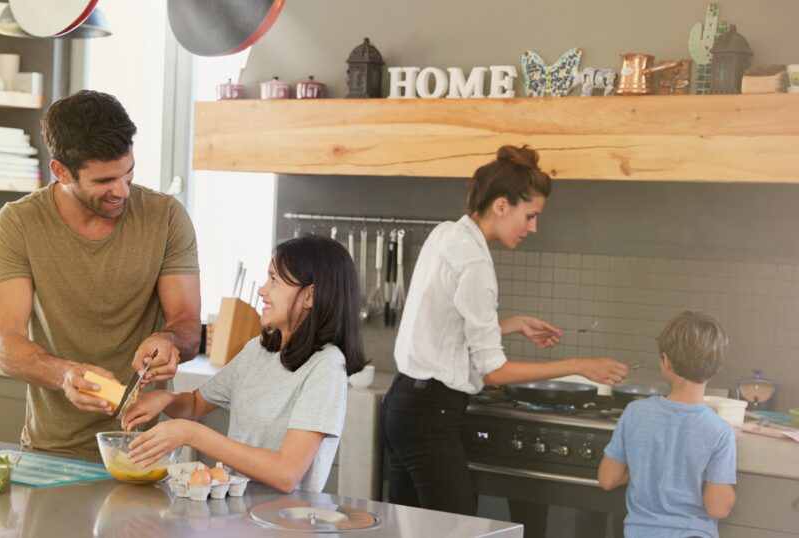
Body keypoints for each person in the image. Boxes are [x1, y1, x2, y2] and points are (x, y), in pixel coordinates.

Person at [383, 145, 629, 515]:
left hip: (402, 402)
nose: (534, 227)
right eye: (529, 215)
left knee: (410, 527)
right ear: (501, 206)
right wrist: (578, 365)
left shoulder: (446, 234)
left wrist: (511, 325)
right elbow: (495, 373)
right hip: (430, 417)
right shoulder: (477, 264)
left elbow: (442, 328)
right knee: (457, 530)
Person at [0, 90, 201, 455]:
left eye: (128, 173)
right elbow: (7, 345)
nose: (122, 191)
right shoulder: (19, 223)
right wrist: (64, 374)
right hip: (51, 451)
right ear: (61, 171)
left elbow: (188, 327)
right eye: (104, 181)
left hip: (144, 453)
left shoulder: (165, 217)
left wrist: (170, 342)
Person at [120, 235, 368, 492]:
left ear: (309, 296)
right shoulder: (258, 351)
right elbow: (195, 403)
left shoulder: (326, 366)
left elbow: (286, 473)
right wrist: (164, 399)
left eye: (274, 280)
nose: (263, 289)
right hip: (237, 514)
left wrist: (190, 433)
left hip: (284, 524)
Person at [599, 311, 735, 538]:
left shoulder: (635, 413)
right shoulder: (719, 432)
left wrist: (642, 467)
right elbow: (717, 508)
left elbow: (607, 479)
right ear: (716, 368)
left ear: (665, 361)